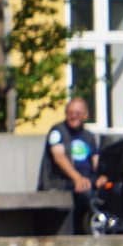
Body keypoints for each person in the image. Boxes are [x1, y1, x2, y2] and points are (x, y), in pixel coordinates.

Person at [40, 97, 100, 232]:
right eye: (70, 113)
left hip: (86, 181)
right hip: (61, 182)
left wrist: (101, 177)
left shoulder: (89, 136)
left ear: (85, 115)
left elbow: (96, 161)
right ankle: (82, 231)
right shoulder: (57, 131)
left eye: (77, 113)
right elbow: (59, 157)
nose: (73, 116)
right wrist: (77, 178)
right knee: (84, 193)